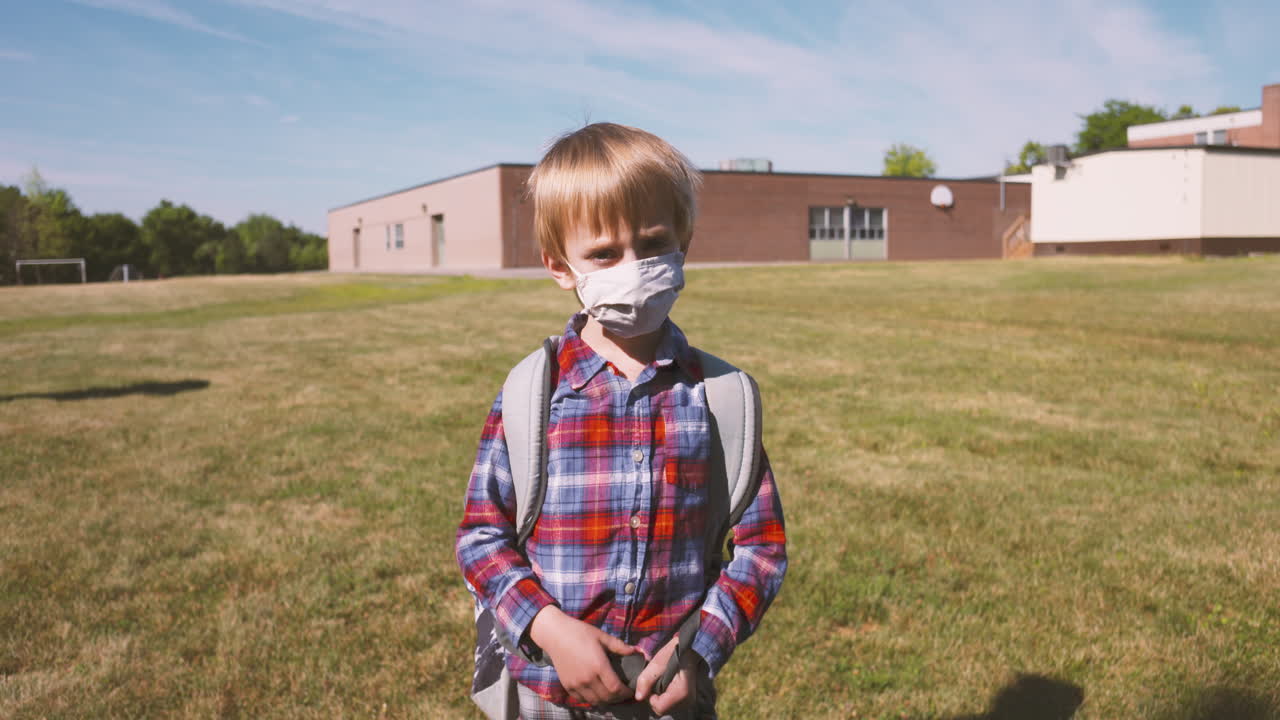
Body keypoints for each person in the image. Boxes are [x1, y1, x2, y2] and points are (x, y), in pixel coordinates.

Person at [456, 123, 787, 720]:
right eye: (604, 253)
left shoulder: (719, 399)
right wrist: (548, 626)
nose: (633, 267)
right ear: (561, 267)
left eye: (654, 243)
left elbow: (760, 551)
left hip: (668, 700)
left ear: (683, 243)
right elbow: (481, 539)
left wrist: (699, 649)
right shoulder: (533, 394)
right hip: (548, 696)